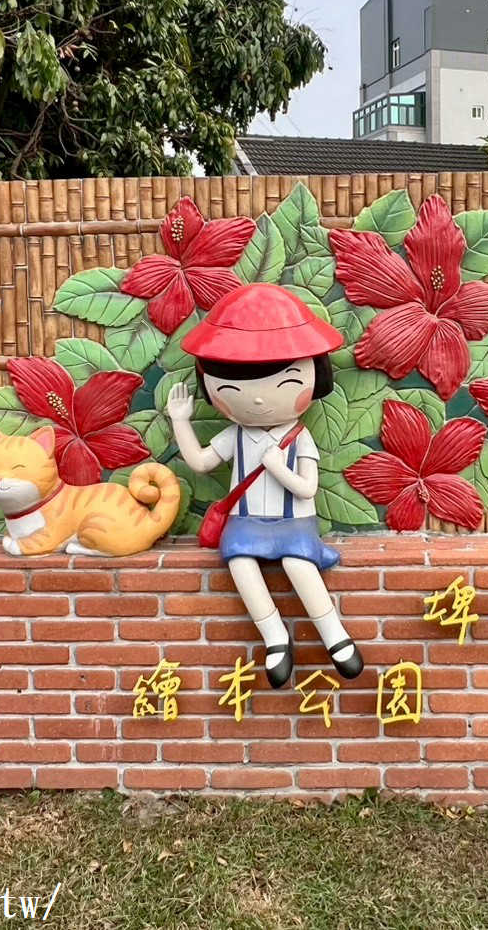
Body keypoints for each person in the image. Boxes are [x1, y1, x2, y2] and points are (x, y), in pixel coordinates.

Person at [168, 283, 363, 688]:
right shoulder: (236, 436)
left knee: (297, 564)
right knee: (240, 564)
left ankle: (334, 636)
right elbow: (201, 462)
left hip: (294, 524)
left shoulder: (300, 439)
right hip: (247, 522)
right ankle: (275, 636)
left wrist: (278, 468)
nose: (257, 402)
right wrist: (180, 421)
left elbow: (307, 489)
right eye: (234, 390)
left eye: (284, 382)